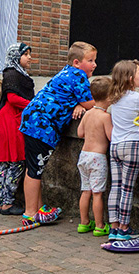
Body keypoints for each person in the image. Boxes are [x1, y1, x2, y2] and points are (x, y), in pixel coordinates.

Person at [17, 43, 99, 225]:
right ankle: (30, 213)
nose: (94, 65)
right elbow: (92, 103)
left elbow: (77, 99)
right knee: (35, 169)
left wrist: (78, 104)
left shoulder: (67, 72)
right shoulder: (79, 76)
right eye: (90, 61)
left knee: (34, 168)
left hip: (32, 121)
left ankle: (38, 208)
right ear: (77, 62)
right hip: (41, 127)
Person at [102, 60, 139, 241]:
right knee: (127, 189)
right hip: (131, 145)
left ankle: (113, 226)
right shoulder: (137, 98)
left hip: (115, 145)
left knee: (116, 186)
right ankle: (124, 227)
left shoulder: (114, 97)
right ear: (130, 79)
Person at [0, 43, 35, 216]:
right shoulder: (12, 74)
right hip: (11, 120)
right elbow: (13, 98)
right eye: (26, 54)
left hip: (9, 119)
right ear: (16, 56)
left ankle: (0, 202)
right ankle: (7, 203)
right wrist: (33, 104)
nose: (29, 57)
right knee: (15, 161)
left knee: (6, 163)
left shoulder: (14, 73)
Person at [73, 77, 113, 236]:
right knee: (97, 193)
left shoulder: (88, 114)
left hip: (84, 156)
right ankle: (99, 225)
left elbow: (80, 133)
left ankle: (83, 223)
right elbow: (111, 137)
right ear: (110, 97)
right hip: (97, 158)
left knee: (86, 190)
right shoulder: (105, 117)